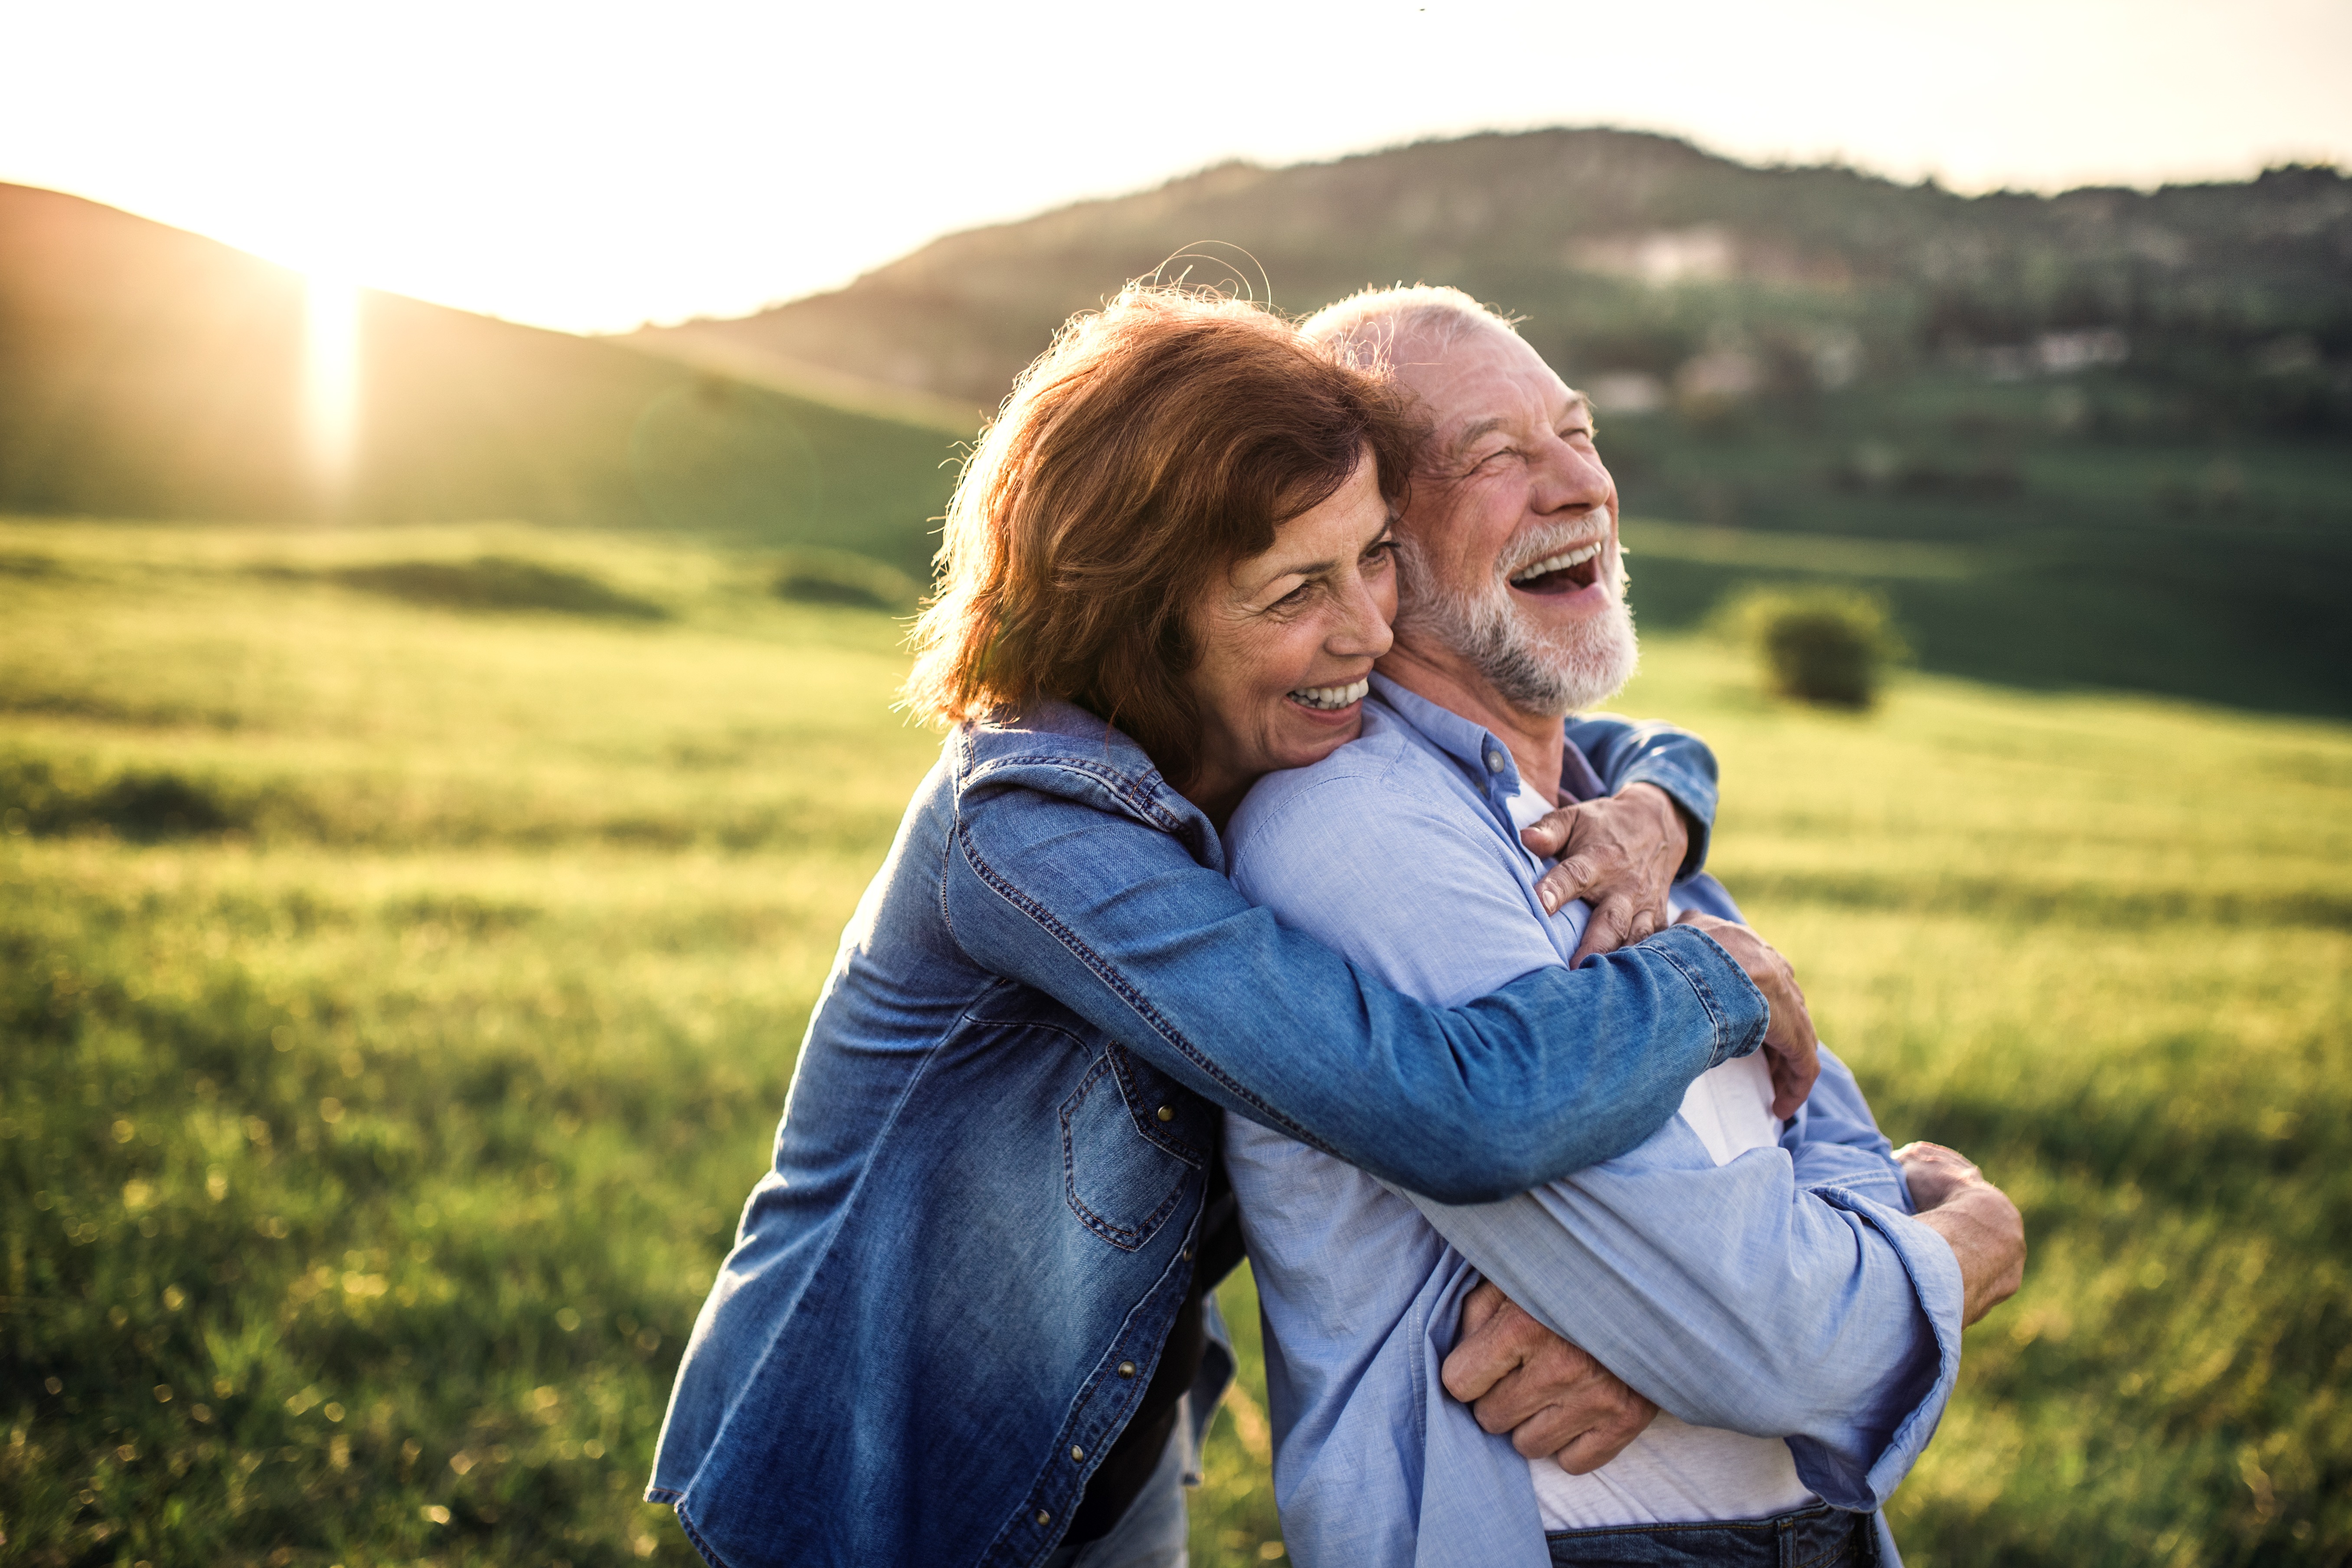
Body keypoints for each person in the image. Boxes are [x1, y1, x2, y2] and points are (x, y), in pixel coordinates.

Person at [644, 286, 1820, 1568]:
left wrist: (1656, 811)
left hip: (1111, 1453)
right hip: (878, 1490)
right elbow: (1444, 1110)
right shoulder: (1032, 833)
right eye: (1293, 591)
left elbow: (1604, 741)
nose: (1369, 629)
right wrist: (1713, 981)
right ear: (1142, 616)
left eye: (1373, 554)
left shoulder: (1254, 728)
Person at [1222, 287, 2026, 1568]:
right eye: (1494, 457)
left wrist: (1681, 1343)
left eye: (1577, 432)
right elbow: (1771, 1341)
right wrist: (1966, 1244)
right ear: (1375, 548)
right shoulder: (1358, 834)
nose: (1577, 486)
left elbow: (1831, 1148)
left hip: (1810, 1527)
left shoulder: (1616, 823)